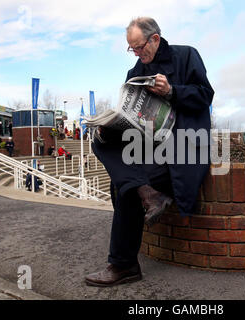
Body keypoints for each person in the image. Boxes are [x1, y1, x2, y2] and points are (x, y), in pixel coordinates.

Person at [85, 17, 214, 287]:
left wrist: (172, 91)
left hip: (182, 146)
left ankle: (124, 265)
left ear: (155, 38)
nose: (136, 54)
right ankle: (148, 193)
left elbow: (205, 96)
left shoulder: (186, 55)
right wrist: (109, 128)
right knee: (100, 141)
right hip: (146, 145)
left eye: (139, 47)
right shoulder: (135, 71)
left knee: (127, 187)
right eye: (131, 49)